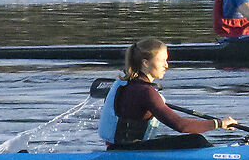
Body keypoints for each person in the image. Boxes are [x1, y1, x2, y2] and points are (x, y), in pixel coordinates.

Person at [101, 39, 239, 151]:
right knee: (196, 140)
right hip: (129, 152)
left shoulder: (127, 84)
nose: (167, 65)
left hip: (118, 149)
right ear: (145, 63)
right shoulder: (145, 91)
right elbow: (180, 126)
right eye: (162, 61)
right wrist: (219, 123)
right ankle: (223, 156)